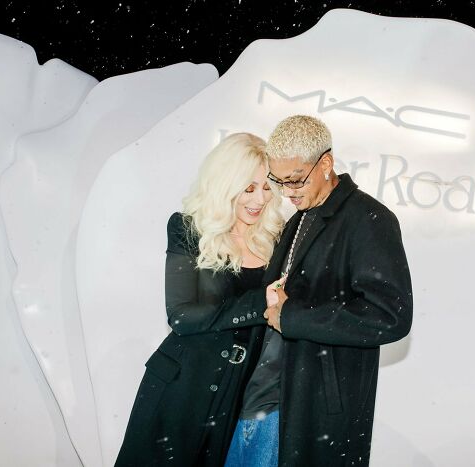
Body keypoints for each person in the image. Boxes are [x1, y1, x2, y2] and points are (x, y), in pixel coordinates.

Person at [225, 115, 413, 467]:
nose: (288, 192)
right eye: (279, 181)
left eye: (296, 179)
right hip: (261, 401)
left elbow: (391, 317)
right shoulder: (299, 218)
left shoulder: (368, 219)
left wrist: (292, 316)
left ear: (325, 164)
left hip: (310, 408)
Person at [115, 132, 285, 467]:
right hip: (181, 385)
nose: (260, 198)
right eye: (249, 188)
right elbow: (181, 316)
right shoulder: (189, 229)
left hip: (236, 393)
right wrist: (259, 304)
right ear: (225, 184)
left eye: (267, 188)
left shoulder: (275, 238)